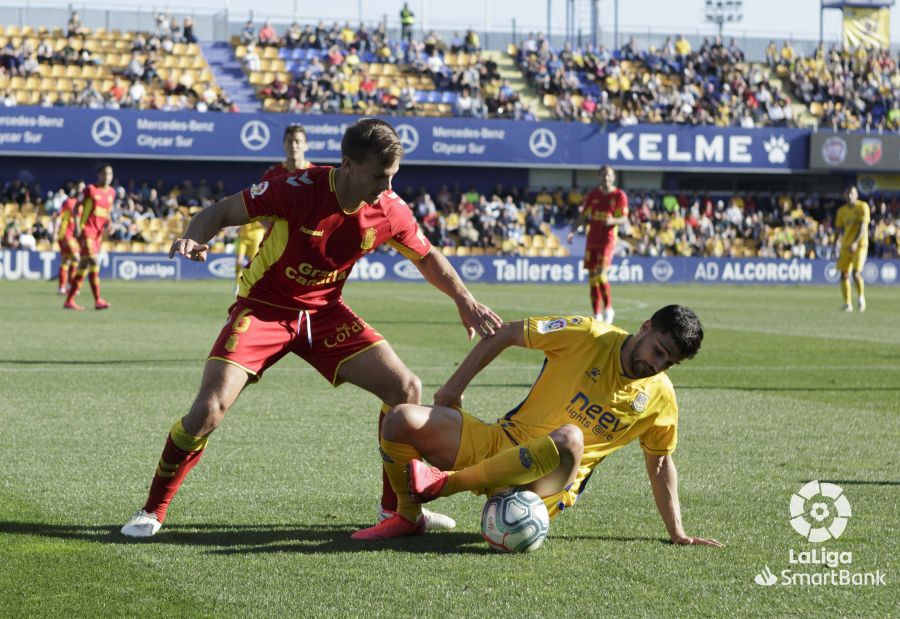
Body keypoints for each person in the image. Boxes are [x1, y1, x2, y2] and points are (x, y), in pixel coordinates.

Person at [120, 118, 502, 537]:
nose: (386, 185)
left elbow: (427, 257)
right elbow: (219, 212)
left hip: (325, 314)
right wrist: (193, 237)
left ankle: (398, 510)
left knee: (405, 389)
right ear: (348, 165)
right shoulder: (297, 188)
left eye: (393, 176)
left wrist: (464, 300)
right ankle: (153, 510)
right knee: (208, 411)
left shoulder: (389, 208)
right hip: (264, 309)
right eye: (379, 175)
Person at [352, 305, 722, 548]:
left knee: (570, 436)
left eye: (669, 362)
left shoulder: (660, 397)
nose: (657, 365)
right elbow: (506, 332)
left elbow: (659, 463)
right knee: (401, 417)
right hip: (502, 440)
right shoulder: (589, 335)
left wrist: (677, 532)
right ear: (645, 328)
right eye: (657, 351)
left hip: (544, 486)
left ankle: (447, 484)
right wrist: (452, 389)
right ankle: (408, 516)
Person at [234, 124, 313, 293]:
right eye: (290, 141)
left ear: (306, 145)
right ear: (284, 144)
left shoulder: (316, 174)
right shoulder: (272, 174)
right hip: (274, 249)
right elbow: (260, 209)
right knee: (265, 294)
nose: (294, 145)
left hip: (305, 249)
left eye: (298, 141)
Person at [567, 165, 629, 323]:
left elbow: (624, 218)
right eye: (603, 175)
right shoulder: (593, 195)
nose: (606, 178)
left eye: (608, 175)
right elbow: (583, 215)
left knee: (601, 274)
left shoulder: (619, 195)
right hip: (592, 240)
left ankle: (608, 309)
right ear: (599, 177)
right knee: (592, 278)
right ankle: (597, 314)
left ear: (613, 177)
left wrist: (613, 220)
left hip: (607, 240)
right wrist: (573, 231)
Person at [64, 164, 114, 310]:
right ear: (99, 175)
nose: (107, 177)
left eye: (110, 174)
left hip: (98, 235)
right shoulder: (90, 190)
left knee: (83, 267)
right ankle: (98, 300)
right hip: (86, 231)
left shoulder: (111, 192)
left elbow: (107, 212)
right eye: (105, 174)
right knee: (93, 260)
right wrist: (78, 227)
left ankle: (69, 300)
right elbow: (76, 207)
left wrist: (110, 224)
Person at [834, 186, 870, 312]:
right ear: (844, 195)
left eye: (852, 193)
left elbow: (863, 227)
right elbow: (838, 230)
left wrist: (855, 242)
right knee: (843, 275)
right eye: (847, 193)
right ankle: (847, 304)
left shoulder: (862, 207)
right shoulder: (841, 211)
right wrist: (835, 245)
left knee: (856, 273)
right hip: (845, 246)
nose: (850, 196)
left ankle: (861, 297)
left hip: (860, 245)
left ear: (856, 195)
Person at [55, 181, 84, 295]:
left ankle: (63, 287)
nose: (82, 190)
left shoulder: (81, 205)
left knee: (66, 261)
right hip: (65, 235)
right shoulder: (69, 202)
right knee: (77, 258)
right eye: (80, 188)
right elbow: (58, 216)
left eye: (84, 188)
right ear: (76, 189)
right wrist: (54, 231)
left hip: (73, 236)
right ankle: (72, 285)